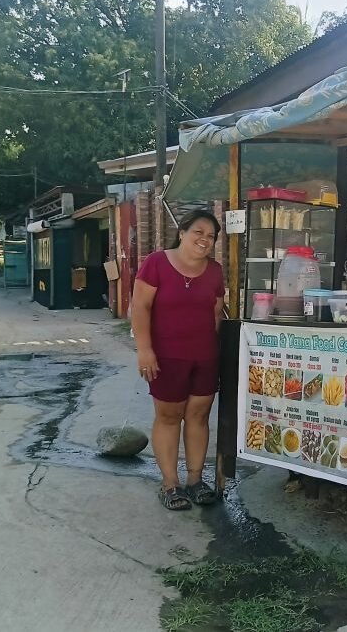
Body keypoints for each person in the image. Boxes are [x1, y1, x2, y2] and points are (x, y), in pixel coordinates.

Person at [131, 209, 225, 510]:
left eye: (210, 236)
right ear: (182, 232)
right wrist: (145, 350)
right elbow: (141, 308)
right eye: (199, 231)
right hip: (166, 357)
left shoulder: (215, 271)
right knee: (169, 417)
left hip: (204, 357)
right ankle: (170, 485)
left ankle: (195, 480)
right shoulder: (156, 263)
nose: (204, 239)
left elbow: (215, 313)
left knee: (198, 416)